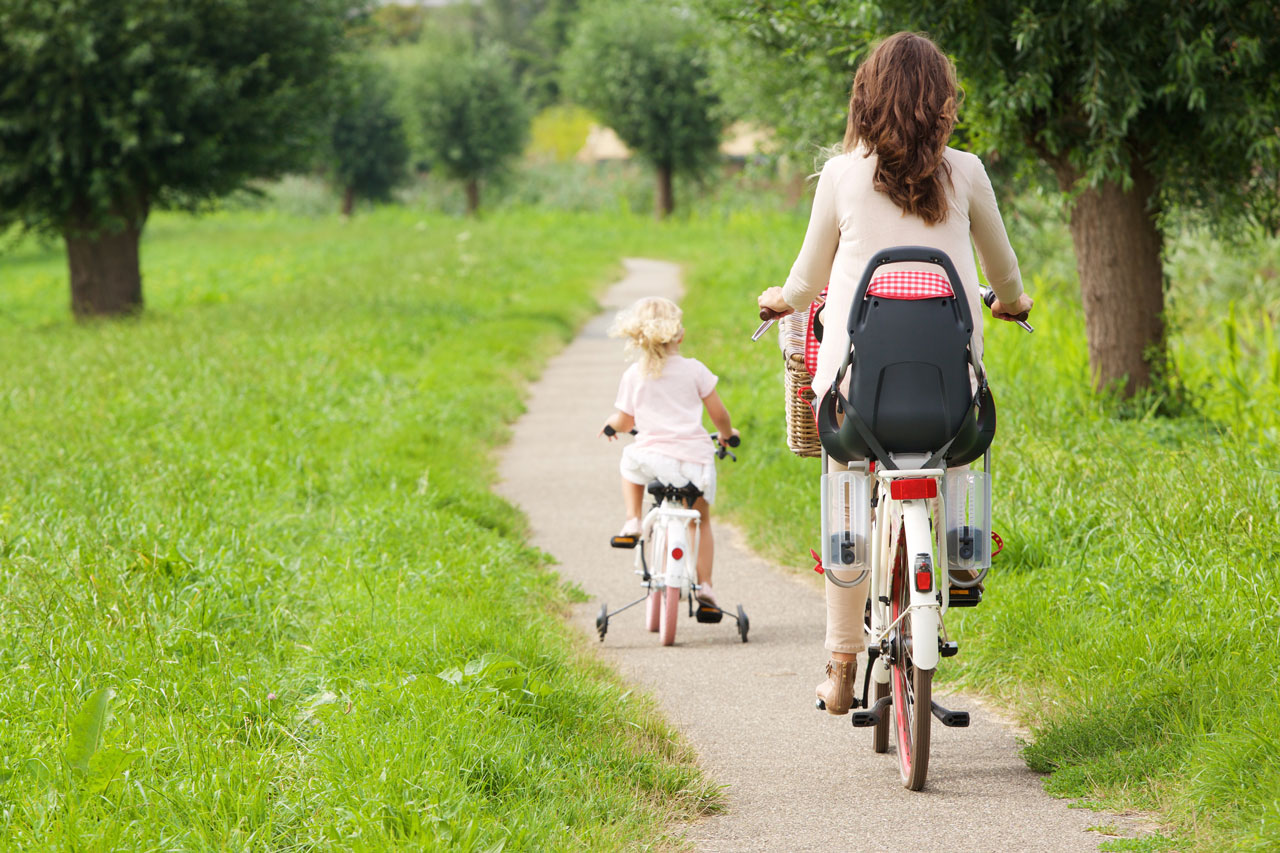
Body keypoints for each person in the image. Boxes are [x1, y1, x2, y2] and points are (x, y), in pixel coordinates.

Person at [757, 32, 1034, 715]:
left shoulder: (842, 176)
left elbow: (805, 281)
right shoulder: (965, 172)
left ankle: (842, 662)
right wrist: (1013, 303)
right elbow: (1004, 273)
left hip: (859, 403)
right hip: (949, 402)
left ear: (867, 99)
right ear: (943, 103)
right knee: (962, 450)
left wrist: (777, 302)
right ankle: (964, 560)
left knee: (845, 480)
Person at [601, 296, 738, 608]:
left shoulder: (634, 375)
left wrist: (611, 425)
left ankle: (633, 520)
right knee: (700, 520)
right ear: (680, 334)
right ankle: (705, 587)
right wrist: (728, 435)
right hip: (695, 462)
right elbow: (719, 416)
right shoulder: (695, 370)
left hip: (653, 460)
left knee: (629, 464)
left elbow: (624, 421)